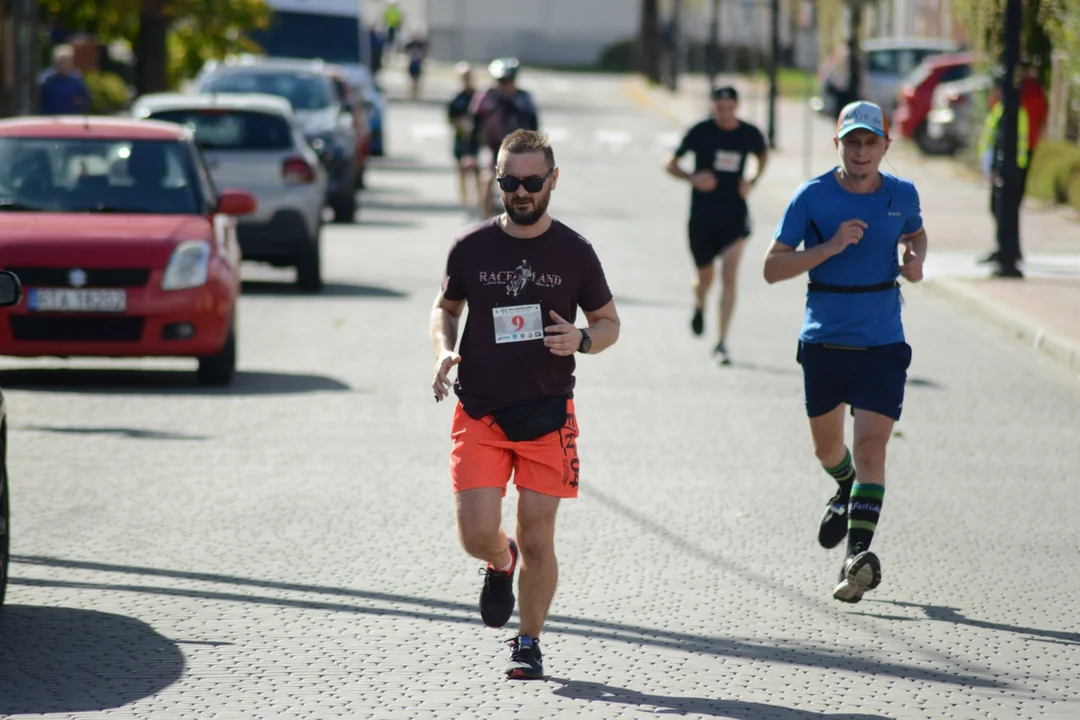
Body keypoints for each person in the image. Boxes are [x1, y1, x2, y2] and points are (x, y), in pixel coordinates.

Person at [430, 130, 620, 679]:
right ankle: (498, 559)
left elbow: (610, 324)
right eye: (509, 181)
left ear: (552, 181)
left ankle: (529, 642)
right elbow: (445, 308)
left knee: (539, 534)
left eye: (532, 182)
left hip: (546, 414)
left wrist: (582, 339)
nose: (520, 192)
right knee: (474, 532)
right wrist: (445, 349)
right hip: (481, 412)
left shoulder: (575, 251)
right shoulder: (470, 247)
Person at [763, 101, 927, 604]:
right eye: (851, 142)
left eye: (869, 142)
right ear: (838, 144)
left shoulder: (902, 194)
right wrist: (829, 248)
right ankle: (844, 486)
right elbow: (772, 268)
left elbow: (915, 231)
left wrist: (915, 257)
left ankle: (855, 558)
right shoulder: (811, 197)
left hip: (882, 341)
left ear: (884, 146)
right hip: (825, 341)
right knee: (828, 450)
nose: (860, 151)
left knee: (874, 449)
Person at [665, 85, 768, 365]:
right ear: (712, 107)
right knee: (704, 278)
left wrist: (752, 181)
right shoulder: (700, 132)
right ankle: (699, 303)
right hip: (702, 217)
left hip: (734, 215)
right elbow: (670, 164)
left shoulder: (748, 133)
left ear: (737, 106)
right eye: (718, 108)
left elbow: (762, 155)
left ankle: (721, 342)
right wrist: (693, 178)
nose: (723, 113)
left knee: (730, 276)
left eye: (729, 108)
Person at [470, 58, 539, 220]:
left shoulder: (524, 99)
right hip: (492, 145)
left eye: (509, 81)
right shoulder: (485, 97)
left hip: (517, 149)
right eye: (501, 81)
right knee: (487, 178)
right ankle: (485, 219)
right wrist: (470, 153)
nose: (505, 85)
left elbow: (534, 128)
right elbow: (475, 127)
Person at [448, 63, 482, 214]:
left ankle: (480, 200)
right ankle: (465, 201)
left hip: (477, 139)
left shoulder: (479, 97)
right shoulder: (456, 99)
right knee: (461, 169)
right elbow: (451, 120)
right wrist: (461, 124)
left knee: (478, 170)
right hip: (461, 139)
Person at [37, 44, 91, 116]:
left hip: (71, 118)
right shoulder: (46, 79)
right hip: (50, 119)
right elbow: (37, 99)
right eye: (60, 62)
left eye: (66, 62)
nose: (63, 65)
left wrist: (80, 102)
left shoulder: (77, 79)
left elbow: (86, 99)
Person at [404, 33, 427, 100]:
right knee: (412, 80)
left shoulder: (420, 44)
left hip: (417, 63)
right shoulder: (410, 44)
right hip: (412, 63)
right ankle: (412, 94)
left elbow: (424, 53)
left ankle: (416, 94)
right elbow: (406, 52)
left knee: (417, 80)